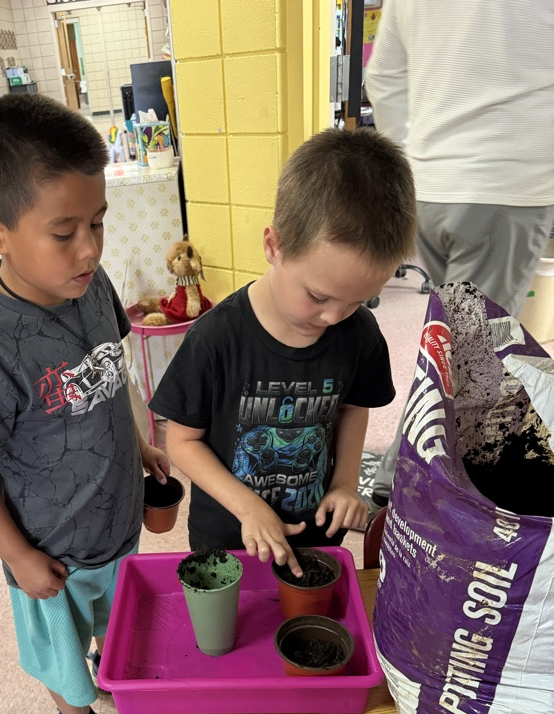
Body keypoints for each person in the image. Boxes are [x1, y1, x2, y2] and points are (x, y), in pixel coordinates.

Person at [0, 94, 169, 714]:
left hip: (112, 513)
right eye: (64, 231)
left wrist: (142, 437)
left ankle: (102, 667)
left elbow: (116, 365)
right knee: (61, 646)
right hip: (50, 548)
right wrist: (16, 554)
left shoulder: (90, 286)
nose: (91, 247)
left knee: (110, 614)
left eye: (97, 222)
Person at [149, 128, 417, 575]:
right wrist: (249, 507)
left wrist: (346, 484)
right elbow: (182, 441)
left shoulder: (360, 334)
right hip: (229, 538)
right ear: (273, 246)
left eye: (359, 300)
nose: (334, 317)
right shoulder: (216, 338)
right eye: (317, 296)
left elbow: (353, 408)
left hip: (315, 535)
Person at [365, 0, 554, 507]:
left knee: (453, 341)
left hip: (428, 186)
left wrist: (407, 161)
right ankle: (406, 482)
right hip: (505, 183)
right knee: (472, 357)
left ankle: (410, 478)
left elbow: (382, 78)